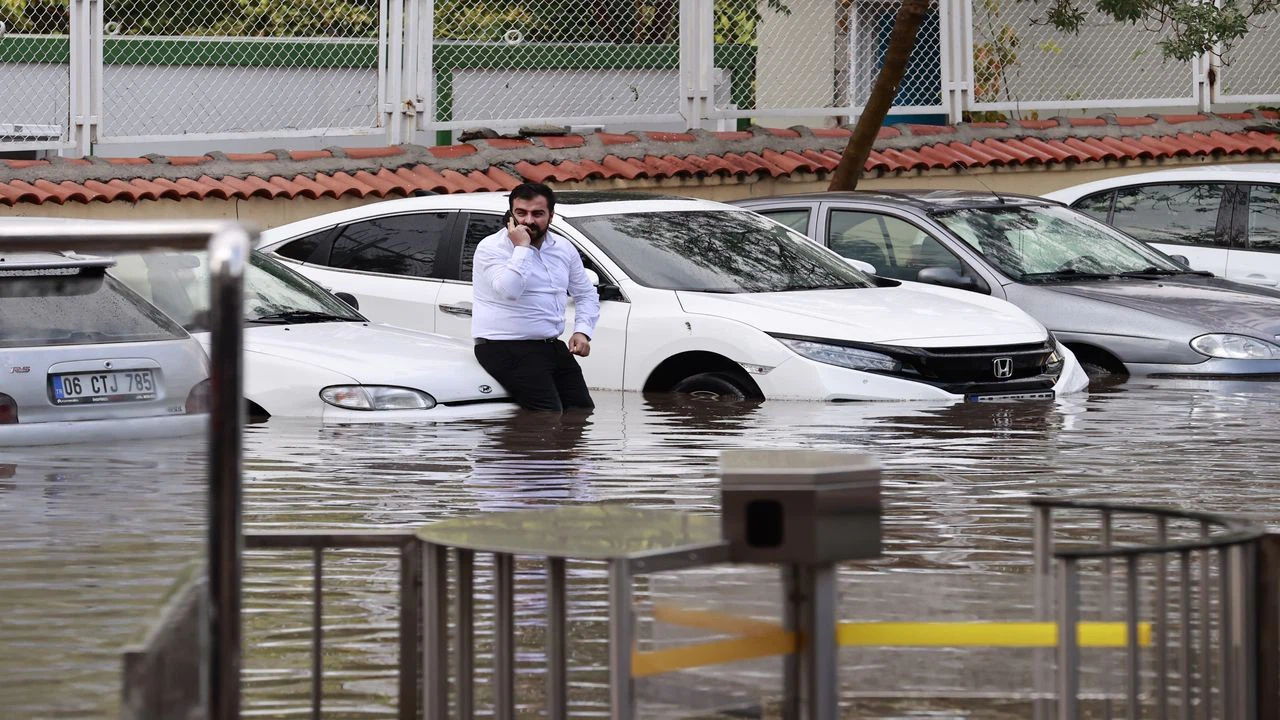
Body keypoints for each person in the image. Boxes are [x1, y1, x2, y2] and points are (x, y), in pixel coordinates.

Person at [471, 182, 600, 412]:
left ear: (551, 215)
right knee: (547, 415)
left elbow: (586, 293)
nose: (528, 220)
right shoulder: (490, 248)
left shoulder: (563, 247)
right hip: (504, 347)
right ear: (511, 215)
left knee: (581, 411)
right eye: (521, 213)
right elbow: (509, 291)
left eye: (538, 214)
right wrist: (522, 248)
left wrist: (582, 331)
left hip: (550, 345)